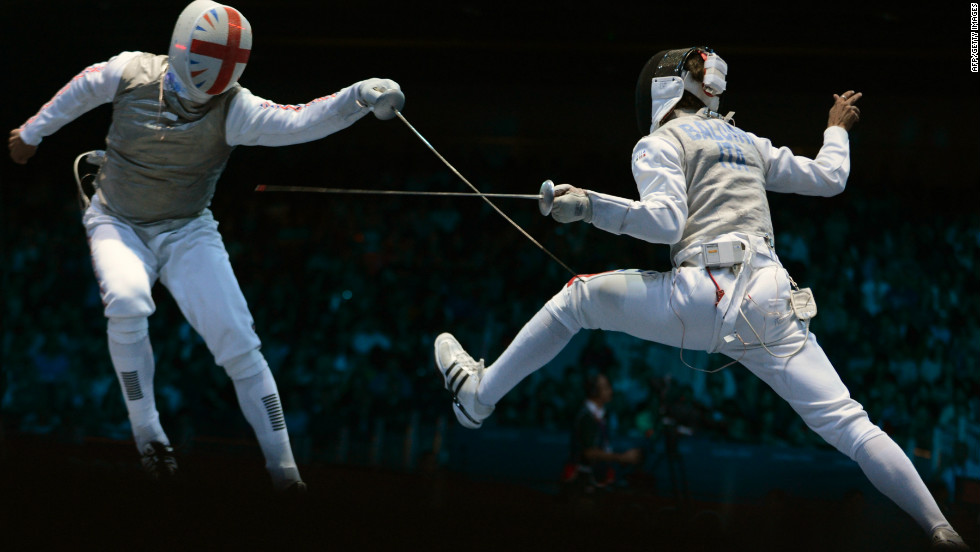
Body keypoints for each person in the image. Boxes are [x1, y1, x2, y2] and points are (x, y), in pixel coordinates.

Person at [434, 46, 969, 549]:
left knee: (578, 301)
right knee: (853, 426)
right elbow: (831, 178)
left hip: (701, 296)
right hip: (771, 301)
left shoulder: (660, 142)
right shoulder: (750, 143)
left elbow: (667, 223)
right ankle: (942, 530)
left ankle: (479, 398)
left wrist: (590, 206)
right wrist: (834, 131)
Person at [8, 0, 404, 492]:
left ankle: (286, 476)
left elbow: (301, 121)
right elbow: (79, 91)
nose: (201, 92)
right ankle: (149, 434)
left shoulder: (235, 108)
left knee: (240, 344)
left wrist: (357, 97)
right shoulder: (129, 72)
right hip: (116, 220)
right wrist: (31, 133)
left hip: (187, 228)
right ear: (179, 49)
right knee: (128, 301)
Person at [562, 370, 641, 494]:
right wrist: (622, 457)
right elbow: (589, 452)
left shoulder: (602, 415)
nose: (611, 391)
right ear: (594, 391)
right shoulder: (586, 417)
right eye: (606, 387)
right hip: (582, 481)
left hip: (596, 477)